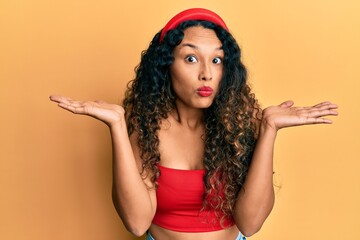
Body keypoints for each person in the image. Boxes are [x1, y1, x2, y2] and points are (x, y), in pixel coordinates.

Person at [50, 8, 338, 240]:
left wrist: (268, 130)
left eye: (217, 60)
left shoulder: (239, 125)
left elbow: (250, 225)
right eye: (191, 58)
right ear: (166, 66)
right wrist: (117, 126)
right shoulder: (147, 128)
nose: (206, 74)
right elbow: (137, 224)